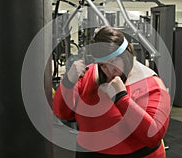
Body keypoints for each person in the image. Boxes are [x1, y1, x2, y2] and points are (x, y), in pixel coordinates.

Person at [53, 26, 171, 158]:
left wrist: (121, 98)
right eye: (103, 65)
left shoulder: (151, 84)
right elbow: (63, 113)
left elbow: (152, 136)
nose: (109, 70)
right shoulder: (88, 74)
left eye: (114, 61)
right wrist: (68, 82)